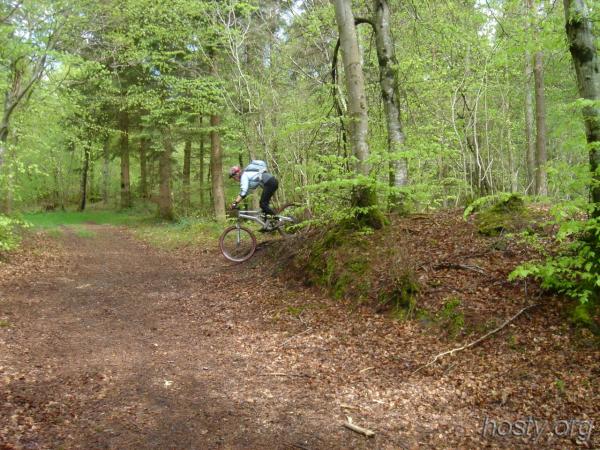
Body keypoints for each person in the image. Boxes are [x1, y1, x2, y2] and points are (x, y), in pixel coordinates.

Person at [229, 160, 279, 228]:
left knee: (263, 204)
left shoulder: (244, 176)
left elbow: (243, 192)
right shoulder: (246, 175)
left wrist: (235, 203)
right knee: (264, 207)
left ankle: (278, 220)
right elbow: (245, 193)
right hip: (271, 182)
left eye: (233, 177)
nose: (234, 179)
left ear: (237, 174)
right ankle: (269, 226)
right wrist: (237, 201)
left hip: (269, 183)